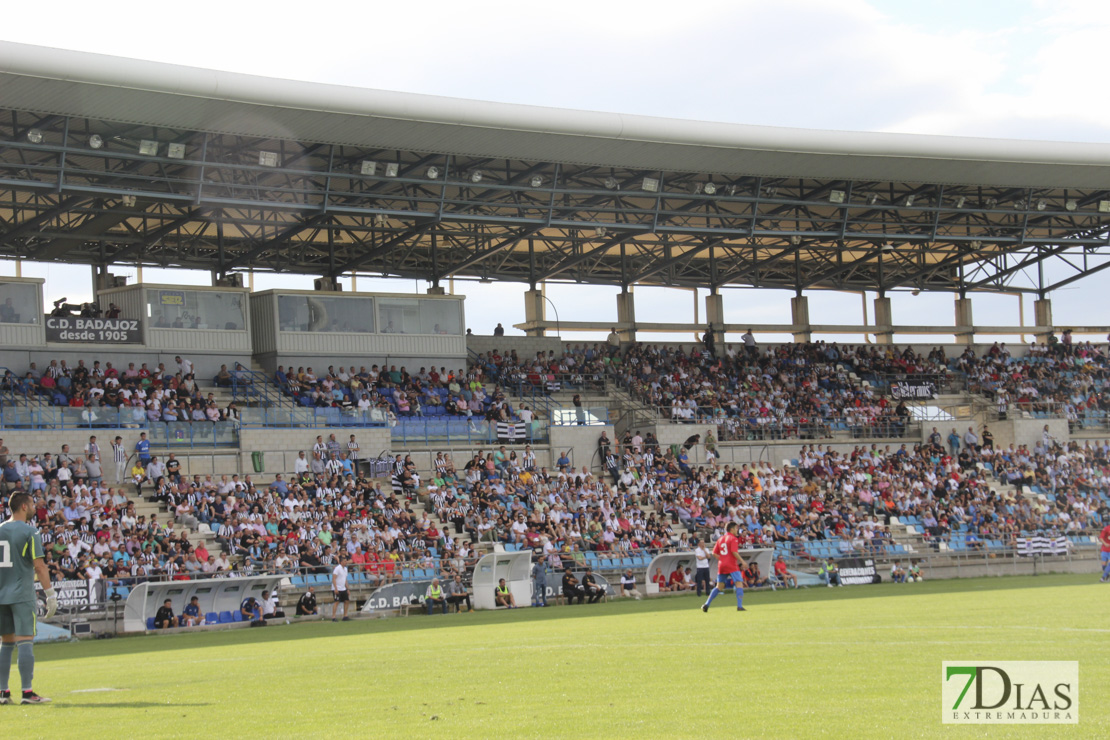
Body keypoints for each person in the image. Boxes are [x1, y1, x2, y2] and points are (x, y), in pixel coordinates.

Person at [0, 491, 56, 704]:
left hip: (0, 594)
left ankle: (3, 693)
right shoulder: (30, 532)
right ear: (24, 506)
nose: (34, 507)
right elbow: (40, 566)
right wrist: (50, 594)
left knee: (5, 643)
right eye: (32, 504)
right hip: (21, 594)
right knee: (25, 641)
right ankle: (27, 692)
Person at [701, 522, 747, 612]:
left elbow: (714, 553)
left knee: (719, 586)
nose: (737, 530)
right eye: (736, 528)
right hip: (732, 564)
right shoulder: (733, 538)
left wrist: (722, 558)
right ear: (732, 529)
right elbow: (734, 552)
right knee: (739, 583)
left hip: (722, 565)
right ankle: (740, 606)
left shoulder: (721, 539)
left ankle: (706, 604)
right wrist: (742, 561)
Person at [331, 557, 351, 621]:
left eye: (346, 561)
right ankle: (333, 617)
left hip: (343, 588)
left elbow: (345, 580)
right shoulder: (337, 568)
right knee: (337, 602)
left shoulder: (345, 569)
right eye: (344, 561)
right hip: (337, 588)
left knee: (346, 601)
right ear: (341, 562)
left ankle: (345, 616)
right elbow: (334, 578)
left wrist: (347, 589)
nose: (346, 562)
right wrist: (335, 588)